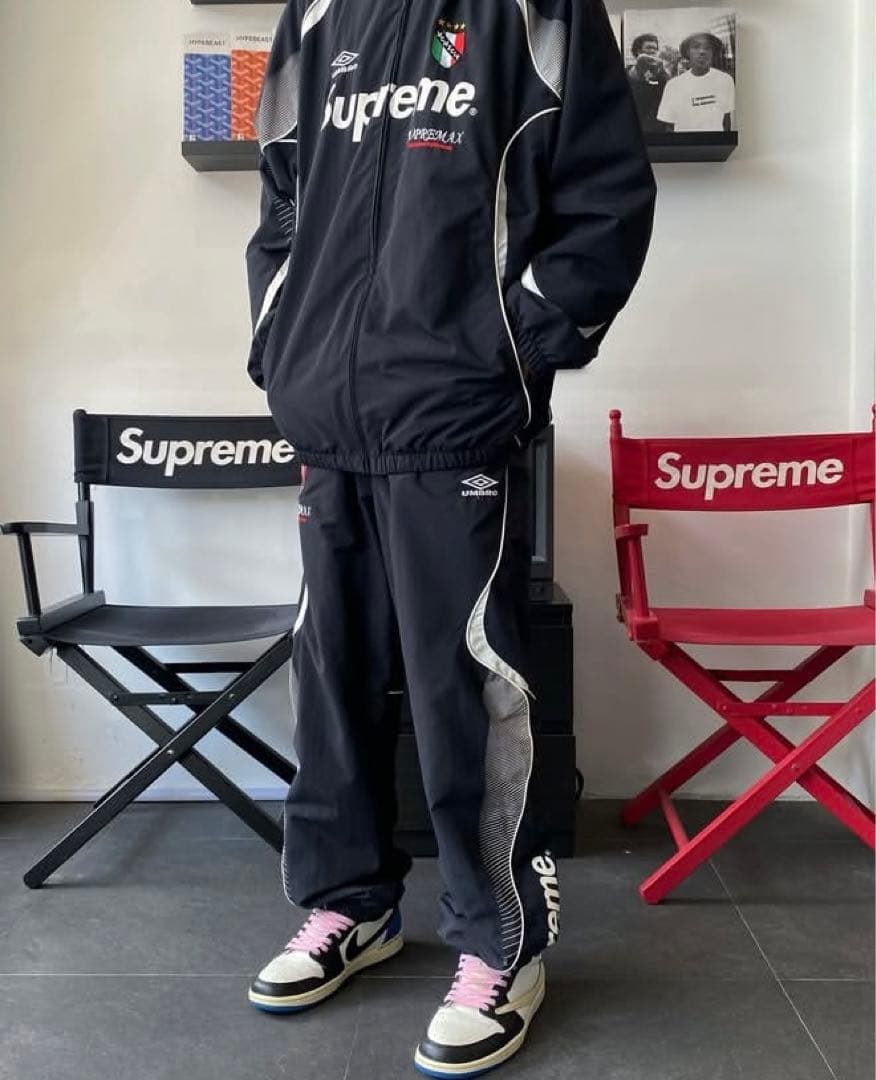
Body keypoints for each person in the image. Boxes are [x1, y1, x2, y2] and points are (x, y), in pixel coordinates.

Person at [244, 0, 655, 1075]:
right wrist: (281, 346)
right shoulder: (316, 14)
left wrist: (510, 349)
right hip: (328, 419)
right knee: (332, 673)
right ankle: (352, 904)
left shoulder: (540, 10)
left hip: (455, 415)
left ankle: (500, 943)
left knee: (465, 686)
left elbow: (607, 197)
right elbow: (282, 190)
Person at [657, 31, 735, 133]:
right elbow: (669, 125)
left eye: (708, 48)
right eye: (696, 47)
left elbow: (726, 119)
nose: (702, 52)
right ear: (687, 52)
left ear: (713, 53)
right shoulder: (673, 85)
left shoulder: (725, 80)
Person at [626, 32, 669, 132]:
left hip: (654, 128)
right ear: (638, 51)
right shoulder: (628, 72)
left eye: (655, 49)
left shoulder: (661, 74)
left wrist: (661, 71)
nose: (653, 51)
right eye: (649, 48)